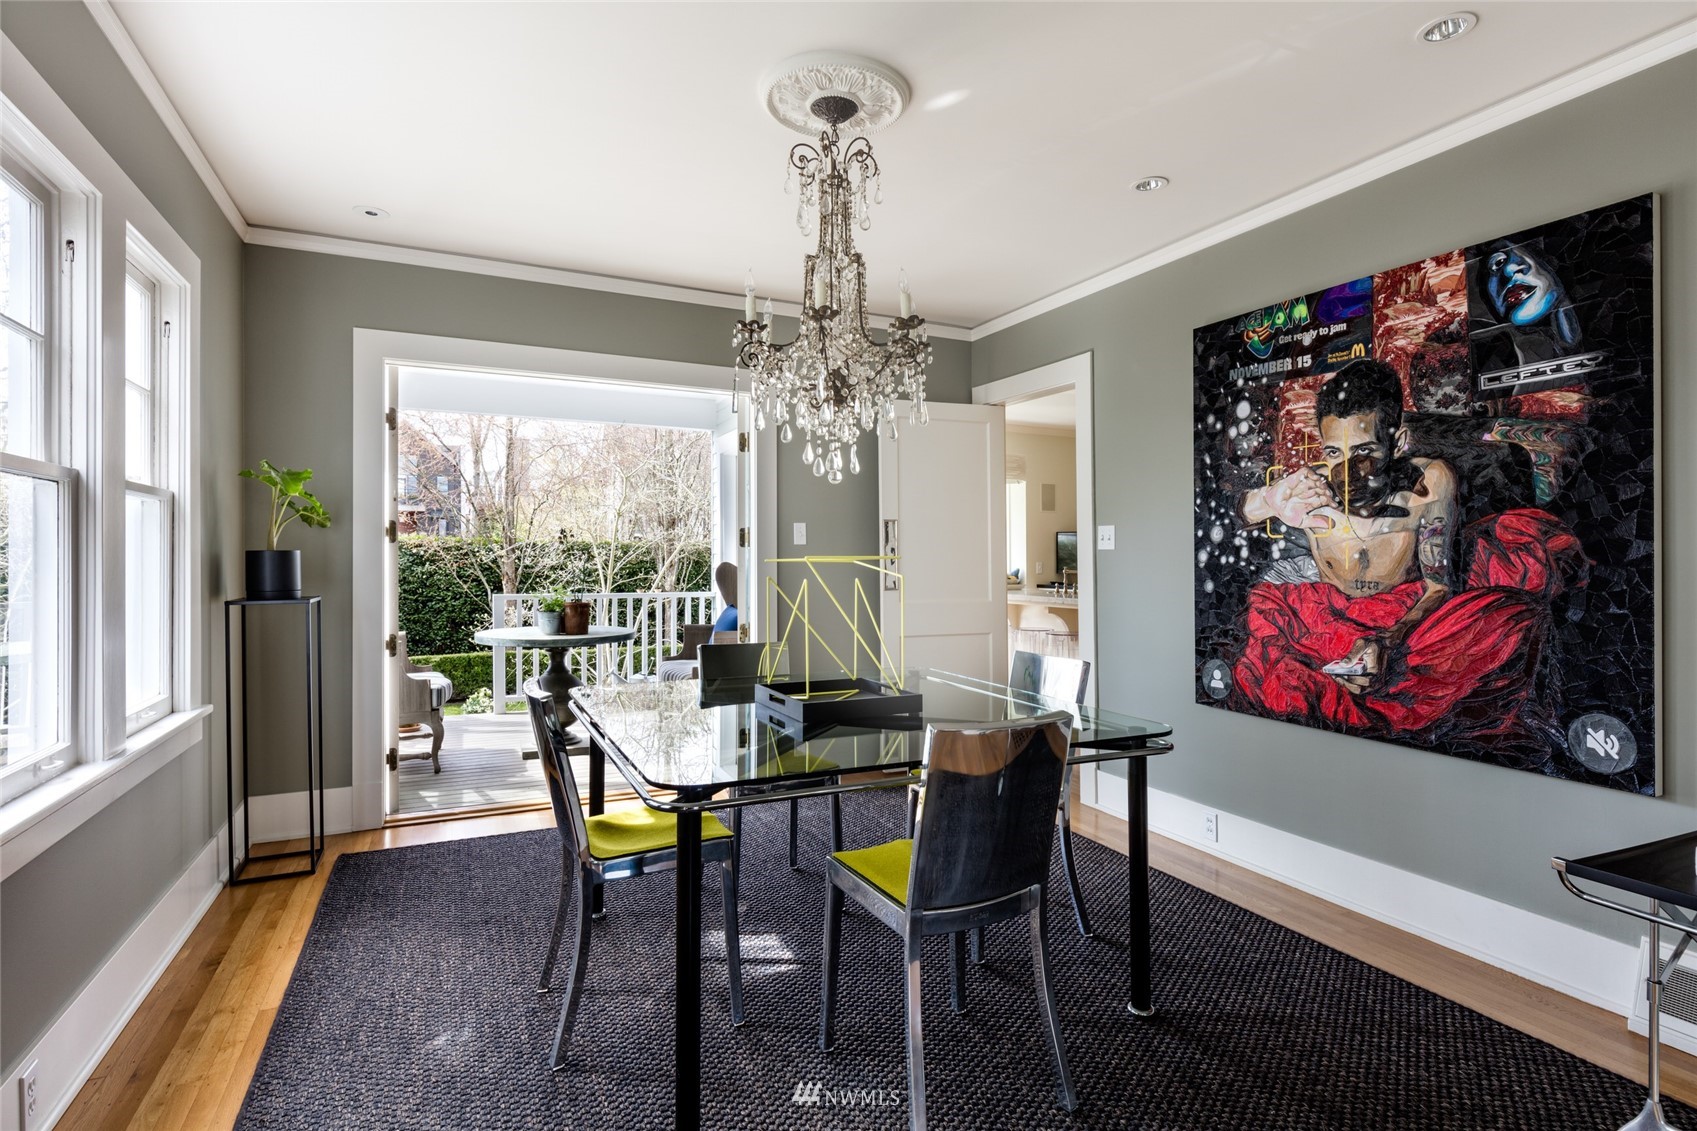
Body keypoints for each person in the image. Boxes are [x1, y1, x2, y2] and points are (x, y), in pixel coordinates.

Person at [1230, 359, 1583, 745]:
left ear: (1395, 444)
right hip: (1328, 618)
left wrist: (1387, 640)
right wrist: (1266, 501)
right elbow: (1227, 515)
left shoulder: (1429, 483)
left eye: (1364, 450)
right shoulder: (1307, 491)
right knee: (1275, 664)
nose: (1347, 471)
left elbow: (1438, 585)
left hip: (1408, 616)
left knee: (1513, 620)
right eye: (1333, 453)